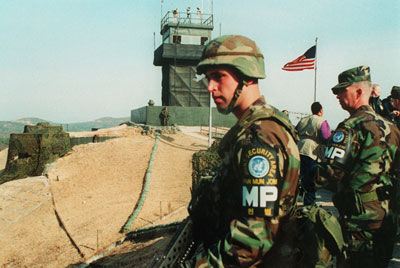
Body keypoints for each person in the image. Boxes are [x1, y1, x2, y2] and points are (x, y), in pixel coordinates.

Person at [183, 35, 301, 267]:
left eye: (219, 77)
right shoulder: (254, 128)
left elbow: (253, 239)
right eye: (208, 78)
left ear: (246, 76)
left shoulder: (259, 138)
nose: (210, 87)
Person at [313, 66, 400, 267]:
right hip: (387, 219)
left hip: (360, 222)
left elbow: (330, 172)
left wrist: (305, 179)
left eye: (342, 90)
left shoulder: (350, 127)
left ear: (359, 92)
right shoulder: (392, 128)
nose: (337, 96)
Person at [295, 101, 331, 205]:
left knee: (297, 178)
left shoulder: (303, 120)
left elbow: (295, 131)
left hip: (299, 149)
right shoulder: (322, 121)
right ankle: (309, 204)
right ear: (321, 111)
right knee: (310, 180)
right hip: (312, 152)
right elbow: (326, 137)